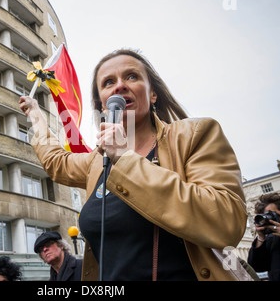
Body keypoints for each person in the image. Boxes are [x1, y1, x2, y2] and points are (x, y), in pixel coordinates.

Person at [19, 48, 249, 281]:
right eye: (108, 82)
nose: (120, 86)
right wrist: (36, 116)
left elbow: (225, 221)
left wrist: (125, 157)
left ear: (153, 95)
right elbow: (58, 163)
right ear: (101, 105)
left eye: (131, 76)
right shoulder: (98, 161)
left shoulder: (193, 135)